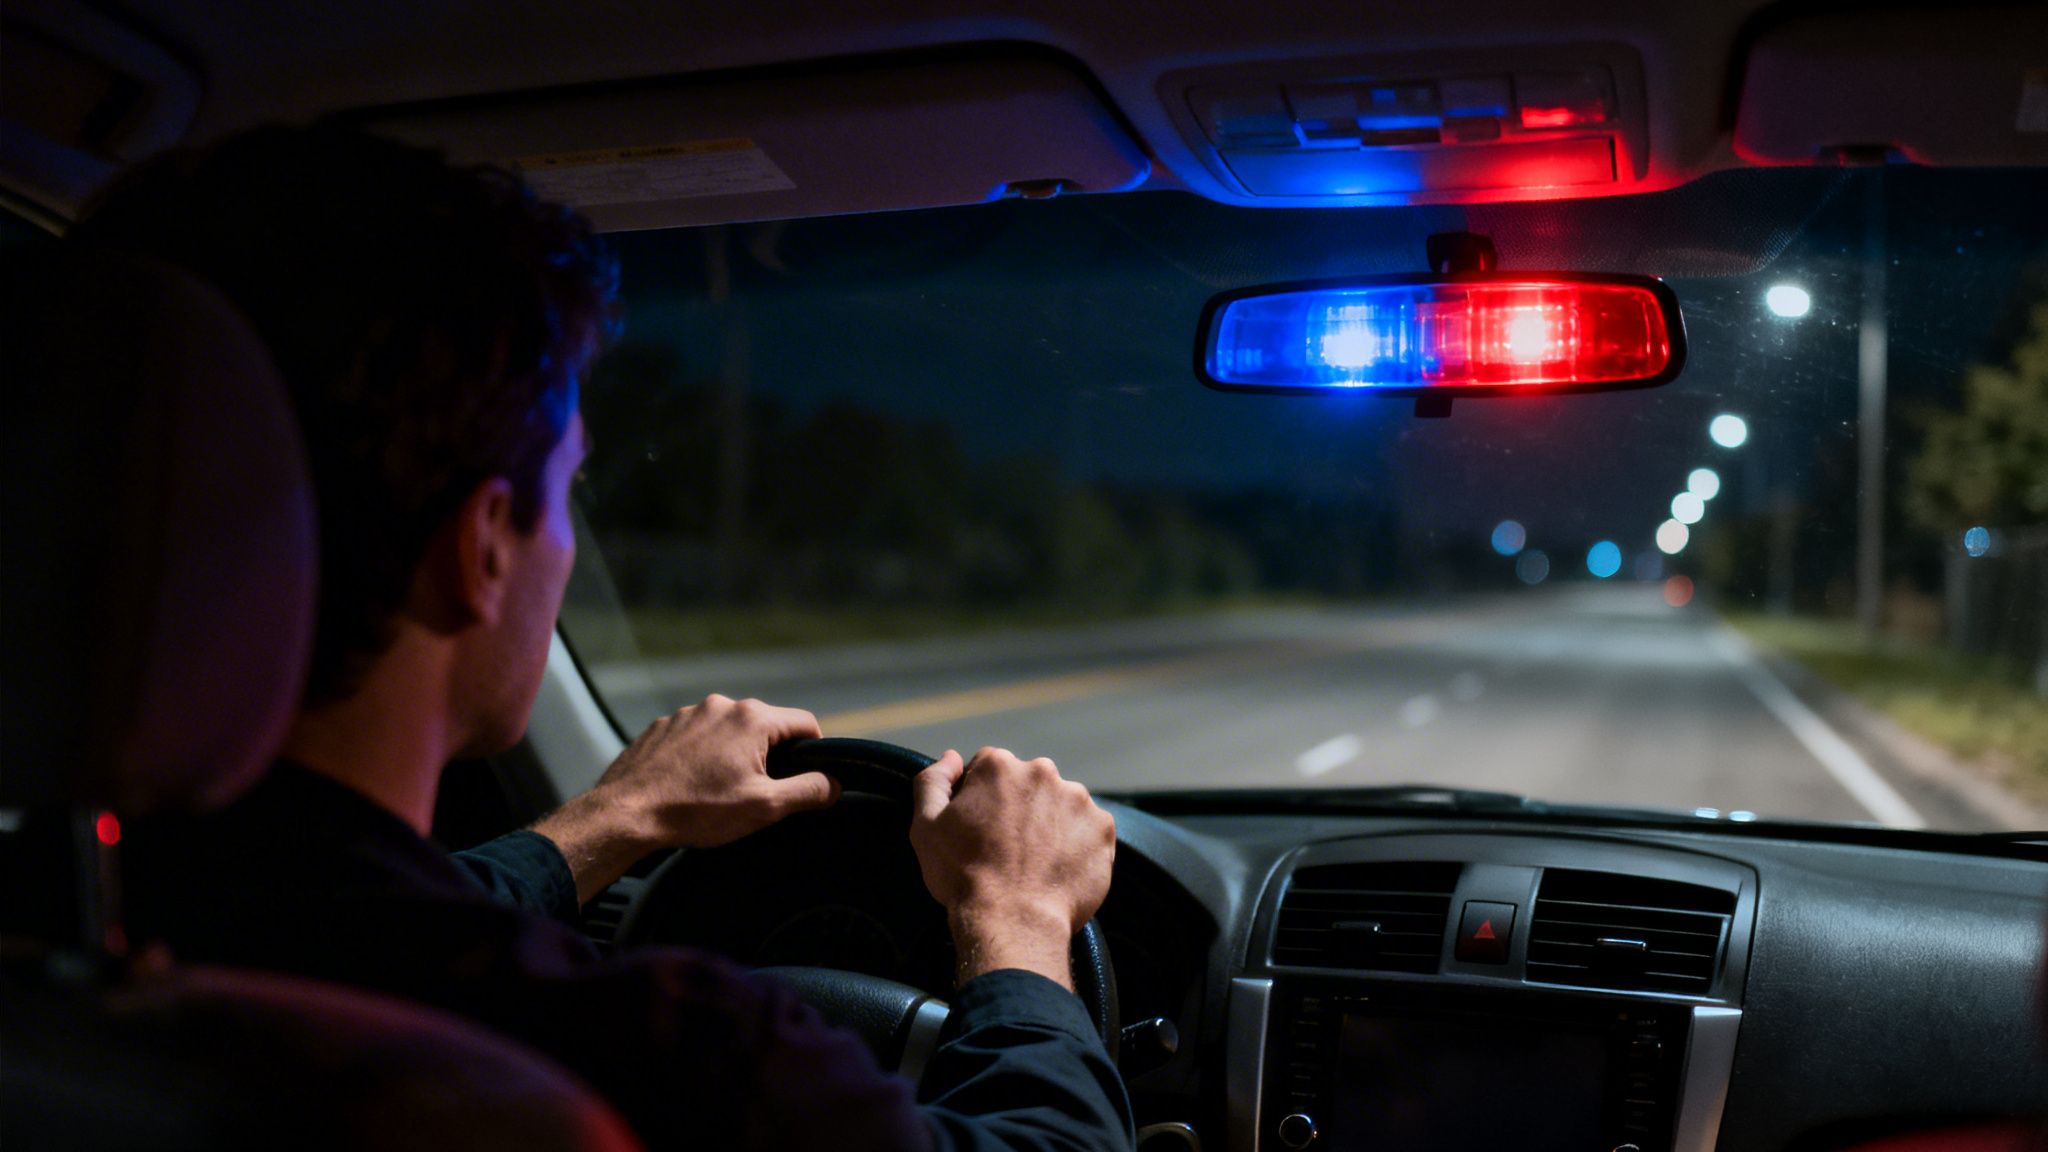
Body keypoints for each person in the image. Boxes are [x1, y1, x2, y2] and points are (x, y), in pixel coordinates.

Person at [89, 124, 1133, 1151]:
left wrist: (620, 814)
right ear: (483, 549)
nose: (569, 547)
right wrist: (1020, 919)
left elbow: (338, 917)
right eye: (564, 491)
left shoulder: (100, 916)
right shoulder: (671, 1066)